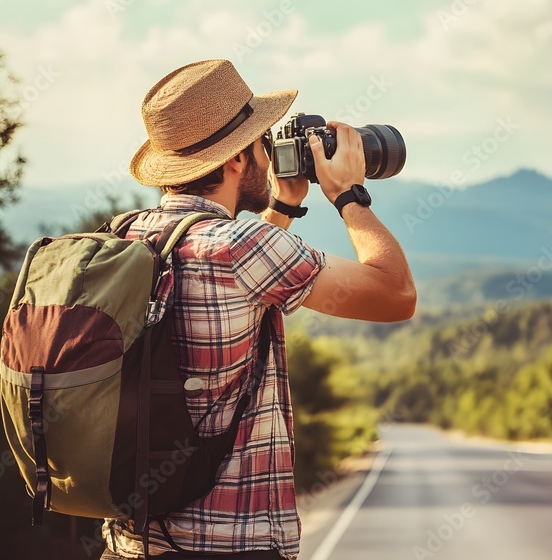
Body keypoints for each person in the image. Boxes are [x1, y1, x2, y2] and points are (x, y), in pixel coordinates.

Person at [99, 60, 416, 559]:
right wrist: (348, 194)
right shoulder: (243, 247)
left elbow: (238, 278)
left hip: (129, 544)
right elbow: (396, 294)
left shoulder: (121, 236)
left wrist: (284, 206)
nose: (269, 155)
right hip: (228, 545)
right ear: (235, 161)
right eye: (260, 143)